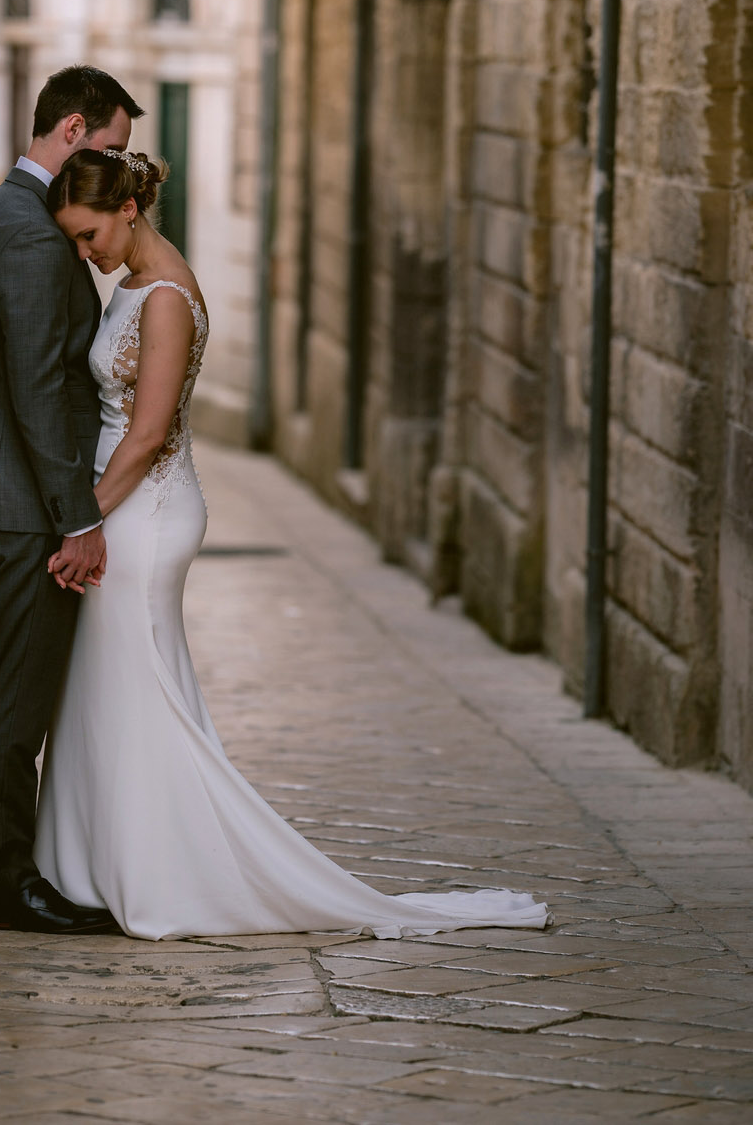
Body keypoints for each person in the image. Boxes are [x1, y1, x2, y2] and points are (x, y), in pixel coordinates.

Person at [34, 148, 548, 941]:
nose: (85, 252)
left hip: (144, 512)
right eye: (73, 239)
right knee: (114, 690)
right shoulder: (135, 283)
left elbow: (146, 436)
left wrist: (82, 524)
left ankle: (166, 872)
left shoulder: (165, 298)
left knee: (140, 690)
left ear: (128, 211)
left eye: (90, 234)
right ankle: (101, 862)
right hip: (122, 510)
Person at [0, 64, 144, 934]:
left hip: (17, 497)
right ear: (70, 130)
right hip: (28, 506)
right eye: (108, 150)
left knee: (15, 694)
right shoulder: (27, 233)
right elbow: (34, 388)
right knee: (15, 703)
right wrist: (82, 517)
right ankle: (7, 890)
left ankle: (15, 876)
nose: (118, 173)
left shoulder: (16, 211)